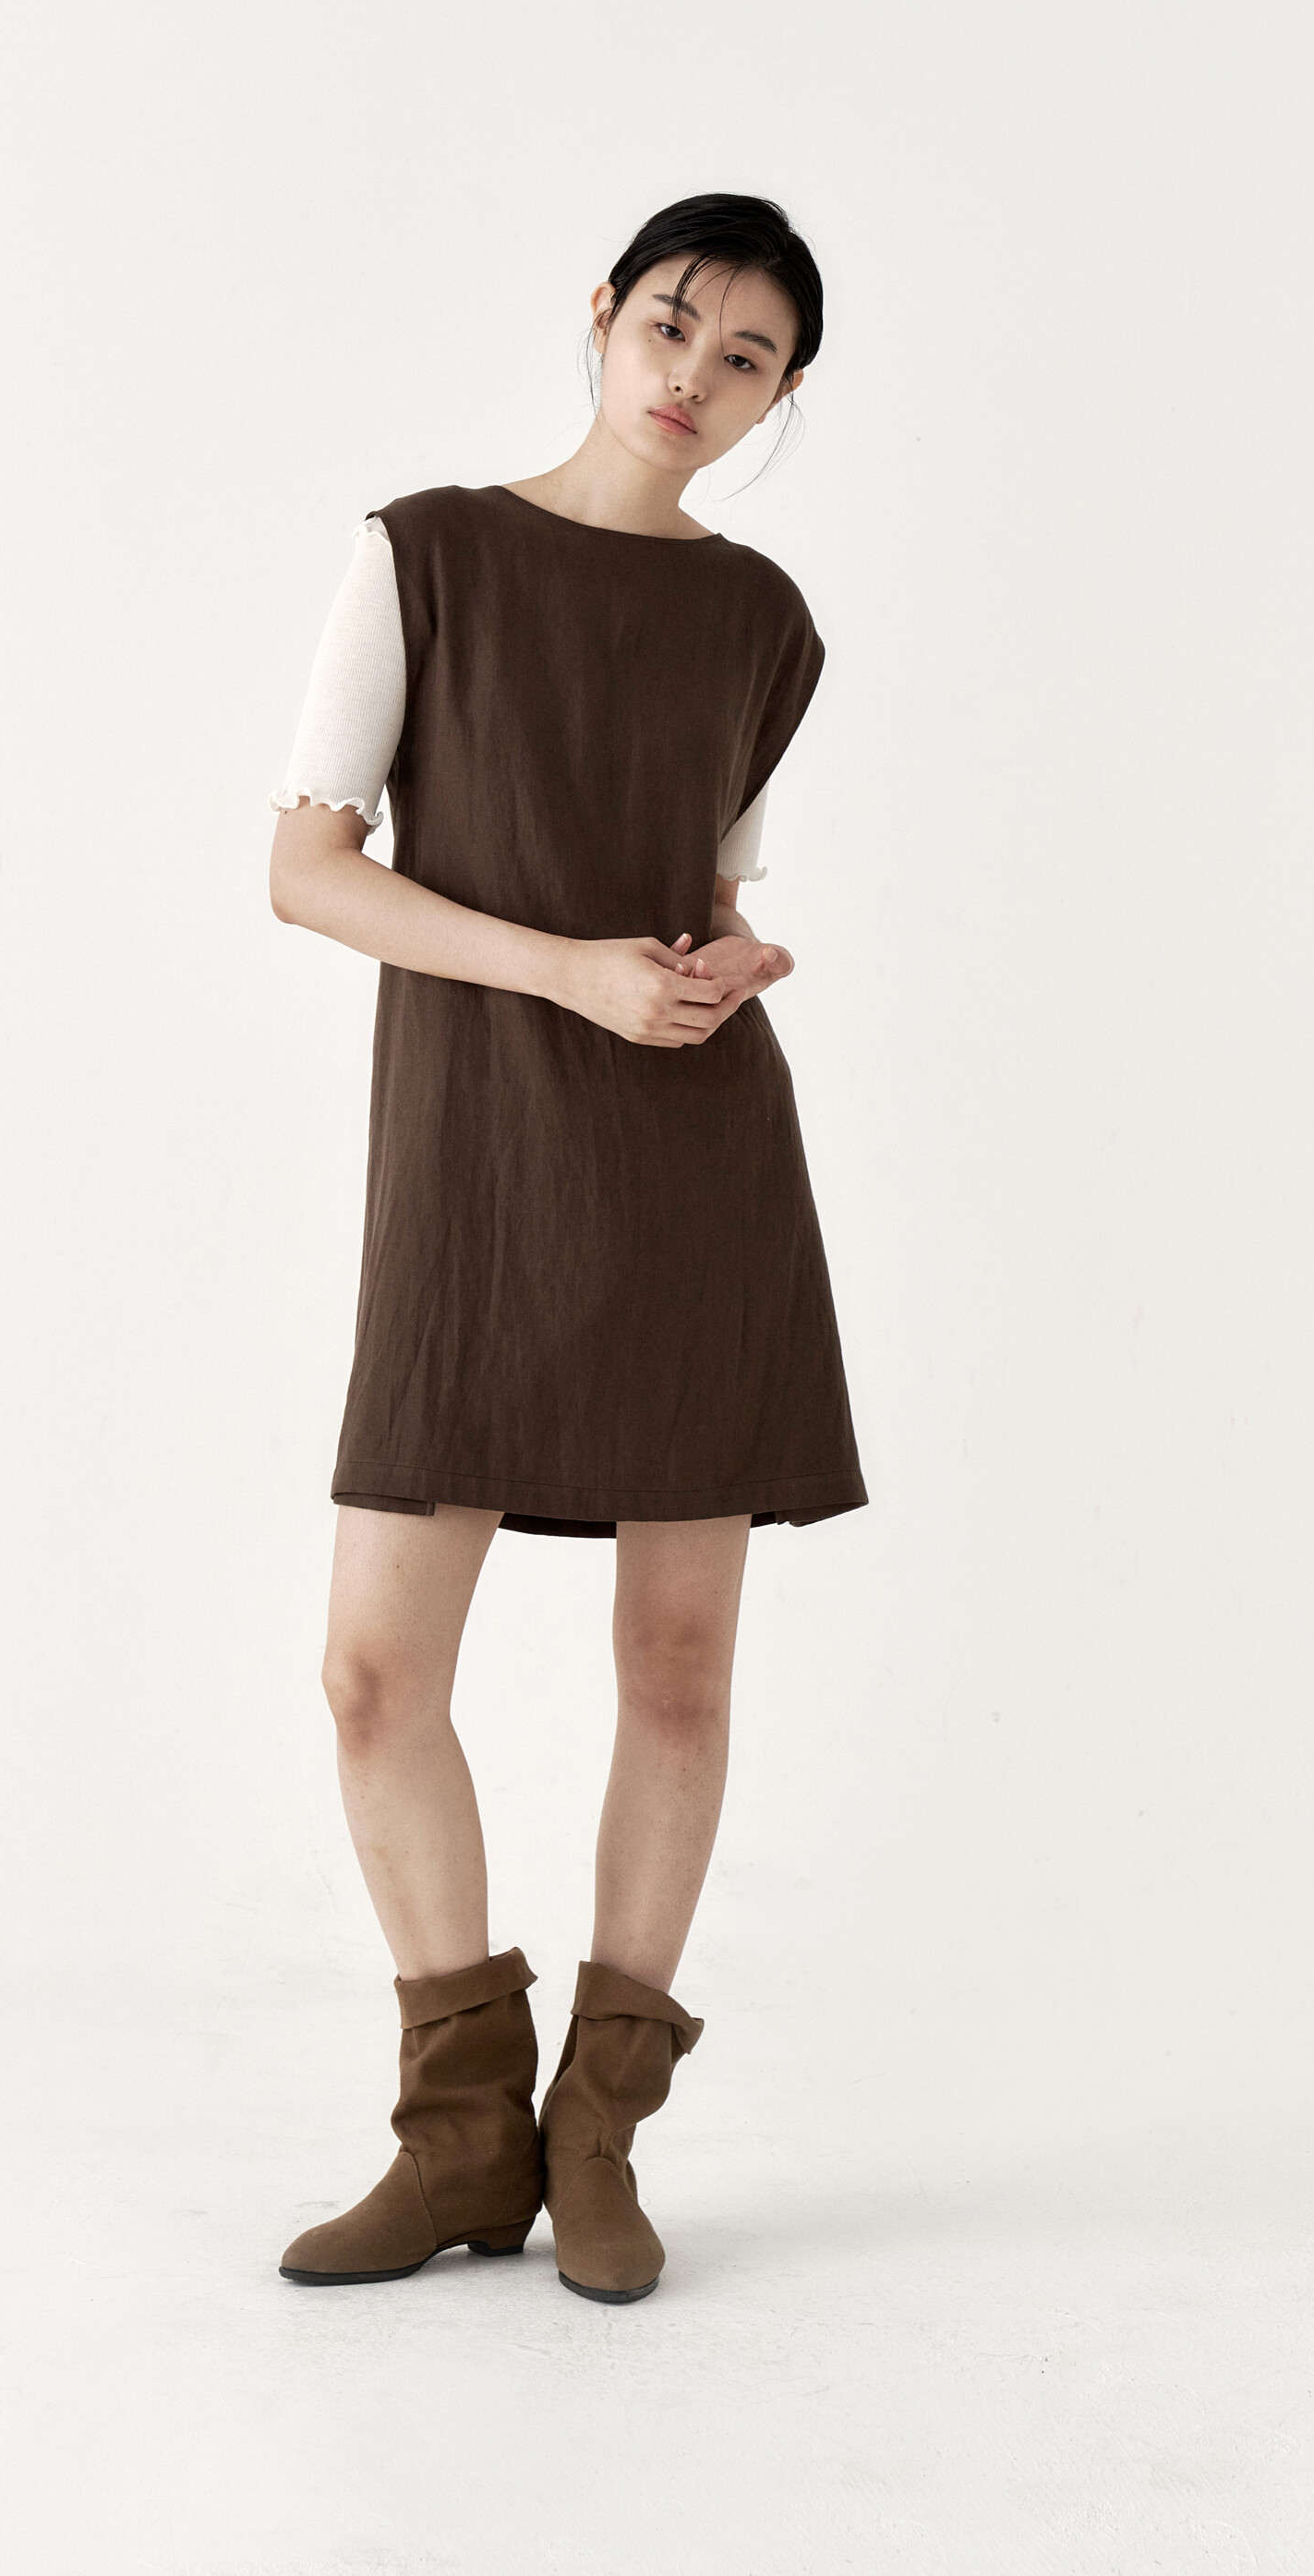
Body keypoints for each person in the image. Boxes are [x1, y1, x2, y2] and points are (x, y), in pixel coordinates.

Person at [265, 192, 867, 2304]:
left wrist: (723, 960)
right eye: (672, 323)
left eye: (746, 359)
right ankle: (459, 2142)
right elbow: (307, 874)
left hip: (691, 1160)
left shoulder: (762, 621)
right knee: (372, 1674)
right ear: (602, 311)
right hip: (475, 1160)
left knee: (676, 1666)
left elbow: (709, 886)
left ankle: (596, 2136)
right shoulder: (425, 553)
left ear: (782, 396)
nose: (692, 377)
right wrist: (567, 973)